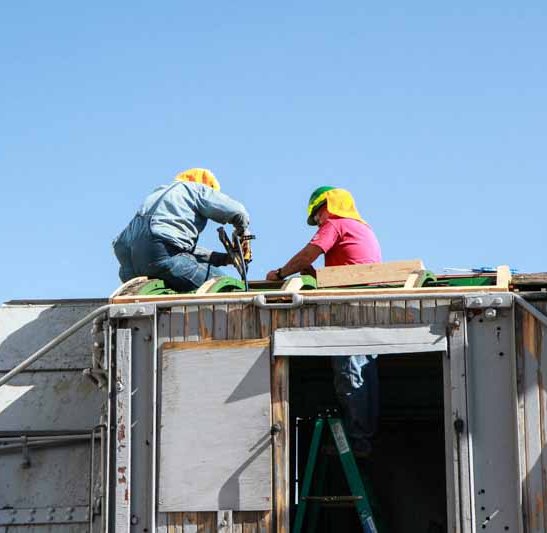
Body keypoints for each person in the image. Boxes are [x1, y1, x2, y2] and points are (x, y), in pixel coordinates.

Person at [266, 186, 382, 454]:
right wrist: (316, 276)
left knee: (349, 373)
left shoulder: (337, 224)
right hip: (366, 306)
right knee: (365, 374)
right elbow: (349, 269)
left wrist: (281, 273)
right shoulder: (361, 228)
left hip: (349, 308)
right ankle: (364, 439)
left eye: (317, 214)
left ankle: (358, 443)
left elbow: (310, 252)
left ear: (328, 206)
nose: (318, 221)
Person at [113, 168, 251, 292]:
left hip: (131, 264)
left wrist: (225, 259)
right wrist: (242, 232)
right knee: (226, 286)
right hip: (162, 254)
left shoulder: (160, 193)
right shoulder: (197, 189)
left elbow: (175, 248)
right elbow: (238, 212)